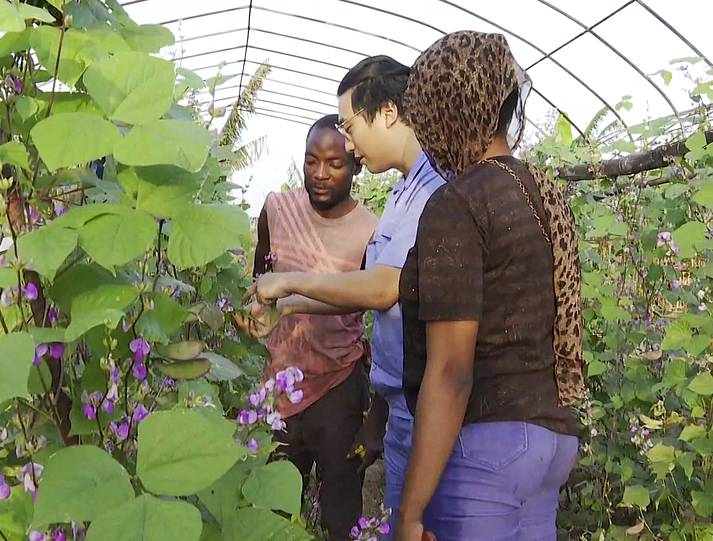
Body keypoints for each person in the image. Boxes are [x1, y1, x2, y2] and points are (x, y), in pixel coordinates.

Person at [394, 31, 585, 541]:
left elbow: (452, 371)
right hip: (549, 442)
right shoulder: (543, 194)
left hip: (487, 451)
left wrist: (409, 511)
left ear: (447, 109)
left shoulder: (458, 203)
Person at [246, 55, 445, 532]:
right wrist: (286, 303)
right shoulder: (402, 193)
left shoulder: (432, 191)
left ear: (389, 113)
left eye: (350, 127)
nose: (349, 143)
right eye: (313, 159)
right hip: (395, 402)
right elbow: (359, 294)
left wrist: (291, 282)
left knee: (361, 511)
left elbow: (382, 288)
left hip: (411, 402)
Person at [236, 114, 378, 541]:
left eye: (334, 164)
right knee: (272, 509)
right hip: (278, 385)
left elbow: (369, 298)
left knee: (340, 510)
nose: (320, 174)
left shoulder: (371, 231)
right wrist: (252, 316)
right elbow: (260, 281)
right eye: (311, 160)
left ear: (354, 165)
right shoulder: (277, 210)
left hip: (338, 386)